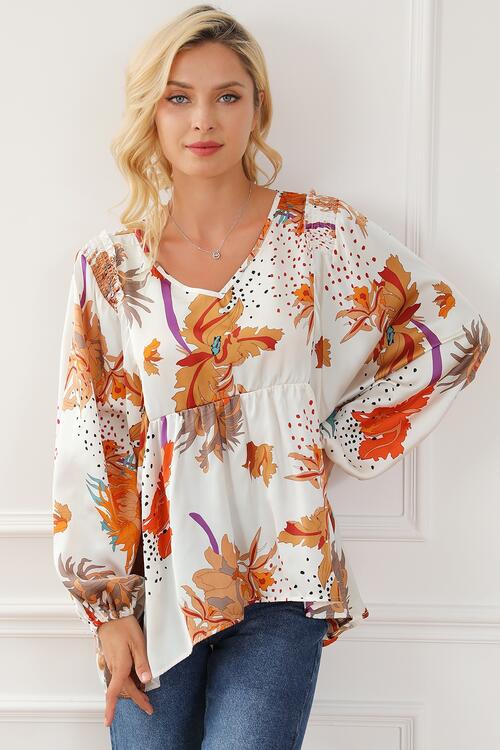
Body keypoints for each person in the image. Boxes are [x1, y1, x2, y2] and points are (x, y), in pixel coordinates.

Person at [51, 5, 492, 749]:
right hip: (155, 584)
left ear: (257, 109)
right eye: (179, 97)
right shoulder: (111, 266)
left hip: (284, 576)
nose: (204, 119)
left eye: (228, 95)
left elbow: (453, 334)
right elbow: (91, 439)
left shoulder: (319, 234)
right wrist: (108, 611)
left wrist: (336, 441)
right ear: (152, 113)